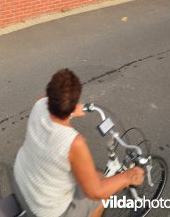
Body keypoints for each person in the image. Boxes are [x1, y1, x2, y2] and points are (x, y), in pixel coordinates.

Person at [13, 69, 144, 217]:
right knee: (101, 197)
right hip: (44, 209)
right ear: (76, 101)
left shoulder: (39, 104)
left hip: (20, 179)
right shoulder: (73, 142)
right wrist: (128, 176)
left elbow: (45, 101)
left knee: (91, 176)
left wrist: (70, 109)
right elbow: (96, 192)